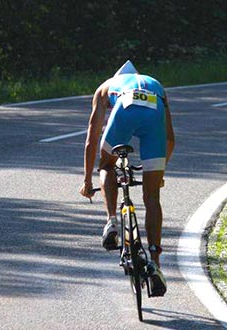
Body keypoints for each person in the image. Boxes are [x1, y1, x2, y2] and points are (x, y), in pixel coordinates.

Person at [79, 60, 175, 296]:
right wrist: (160, 172)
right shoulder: (156, 85)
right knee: (152, 198)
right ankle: (155, 263)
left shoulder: (107, 86)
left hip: (124, 109)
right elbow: (170, 138)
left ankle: (112, 220)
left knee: (107, 164)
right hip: (154, 118)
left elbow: (92, 140)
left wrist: (87, 181)